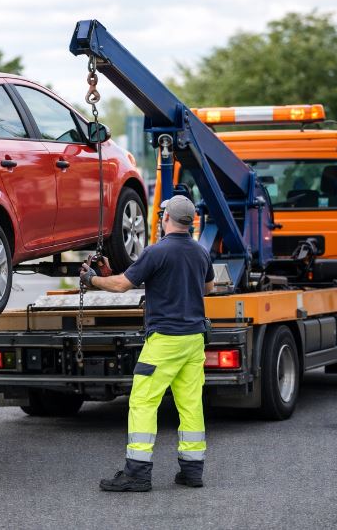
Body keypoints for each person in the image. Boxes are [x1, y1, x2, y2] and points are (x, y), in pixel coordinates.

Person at [80, 195, 214, 492]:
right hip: (194, 340)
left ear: (165, 218)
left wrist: (92, 280)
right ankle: (192, 471)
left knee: (143, 401)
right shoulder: (200, 252)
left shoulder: (156, 252)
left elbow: (121, 285)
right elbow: (208, 287)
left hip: (165, 340)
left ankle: (137, 473)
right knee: (191, 404)